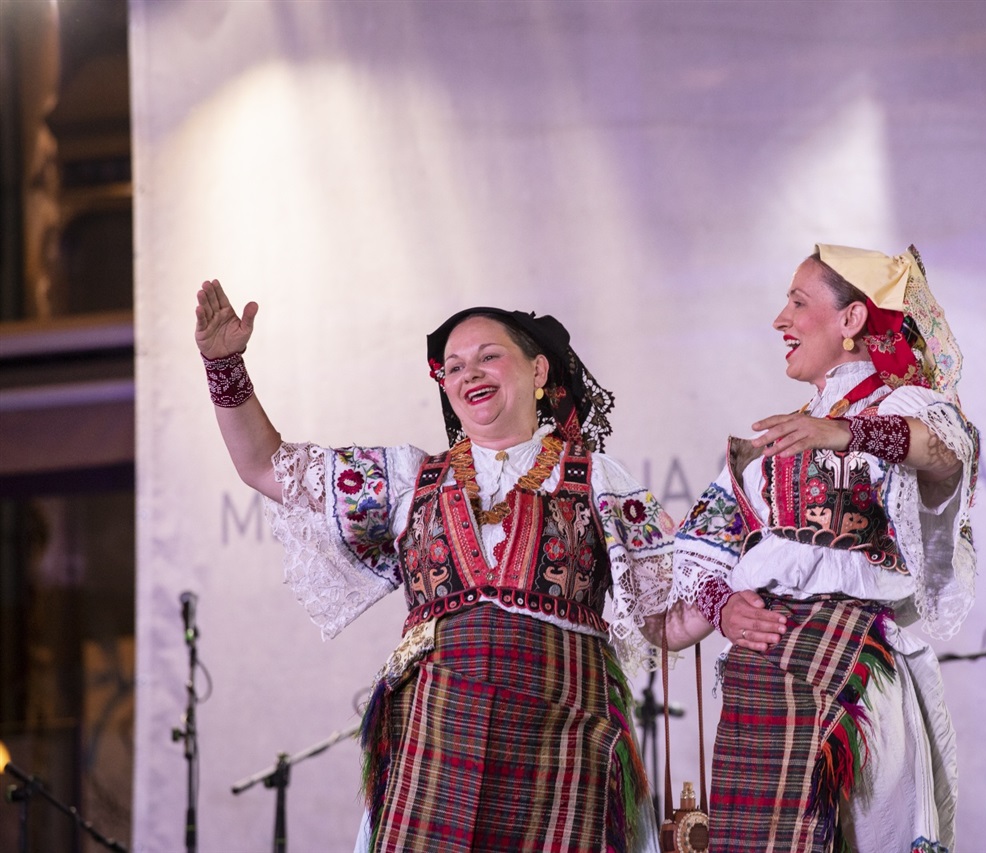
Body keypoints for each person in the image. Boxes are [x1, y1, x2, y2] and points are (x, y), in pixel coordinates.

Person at [194, 280, 694, 852]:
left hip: (566, 732)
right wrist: (222, 365)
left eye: (488, 357)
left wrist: (732, 594)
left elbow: (666, 617)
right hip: (440, 733)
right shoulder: (410, 479)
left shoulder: (600, 481)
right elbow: (264, 466)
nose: (468, 374)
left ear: (537, 372)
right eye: (452, 368)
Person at [668, 244, 979, 852]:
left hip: (852, 675)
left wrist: (847, 431)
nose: (781, 320)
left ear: (852, 321)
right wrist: (722, 605)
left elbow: (946, 453)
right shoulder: (771, 444)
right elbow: (697, 558)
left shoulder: (901, 407)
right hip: (761, 687)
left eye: (798, 302)